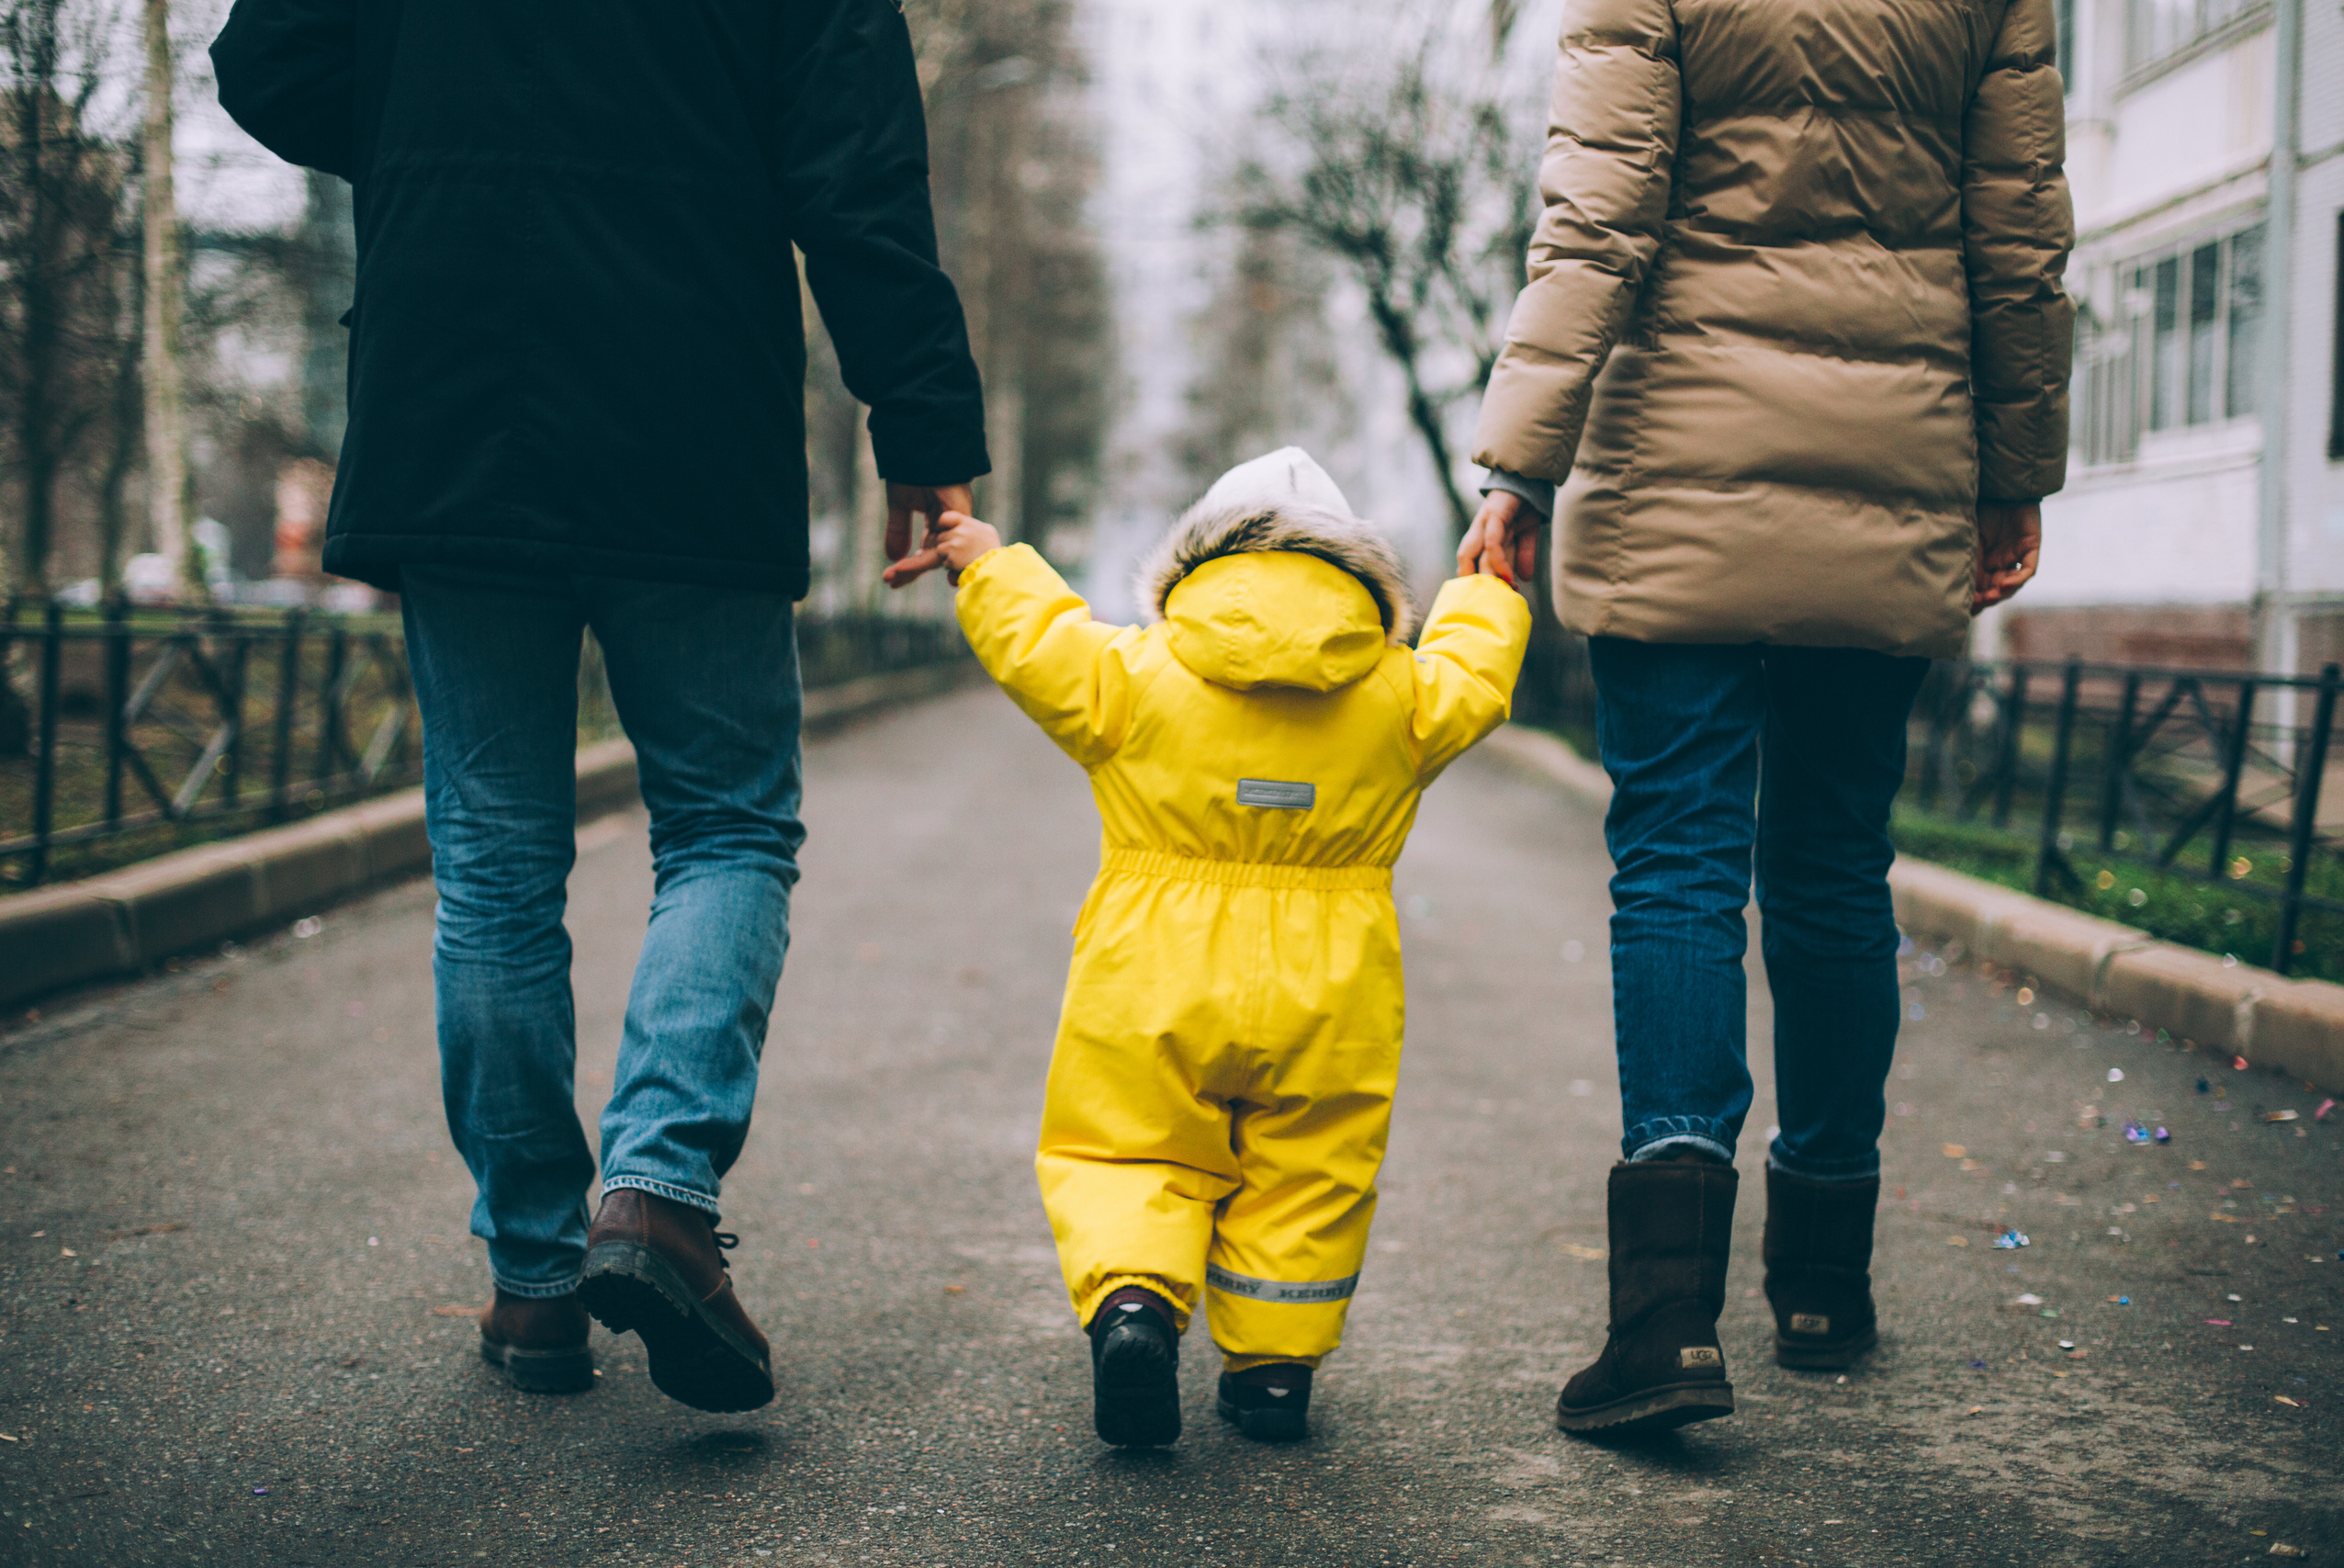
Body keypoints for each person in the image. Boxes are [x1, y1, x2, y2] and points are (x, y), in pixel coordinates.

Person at [211, 0, 987, 1412]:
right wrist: (922, 427)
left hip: (450, 393)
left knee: (496, 854)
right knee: (727, 824)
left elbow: (266, 61)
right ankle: (657, 1192)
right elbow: (858, 177)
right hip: (685, 402)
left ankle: (533, 1275)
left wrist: (441, 149)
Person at [1460, 0, 2074, 1434]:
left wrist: (1520, 464)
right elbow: (2022, 236)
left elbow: (1597, 214)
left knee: (1676, 858)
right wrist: (2014, 469)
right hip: (1896, 453)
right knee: (1831, 863)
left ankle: (1667, 1319)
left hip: (1677, 456)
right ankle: (1820, 1280)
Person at [884, 449, 1530, 1443]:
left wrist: (983, 560)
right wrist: (1487, 592)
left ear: (1195, 561)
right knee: (1311, 1166)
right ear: (1356, 574)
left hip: (1151, 965)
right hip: (1334, 978)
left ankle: (1135, 1306)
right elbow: (1471, 679)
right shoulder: (1396, 695)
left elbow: (1039, 642)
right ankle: (1272, 1371)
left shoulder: (1137, 673)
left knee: (1127, 1148)